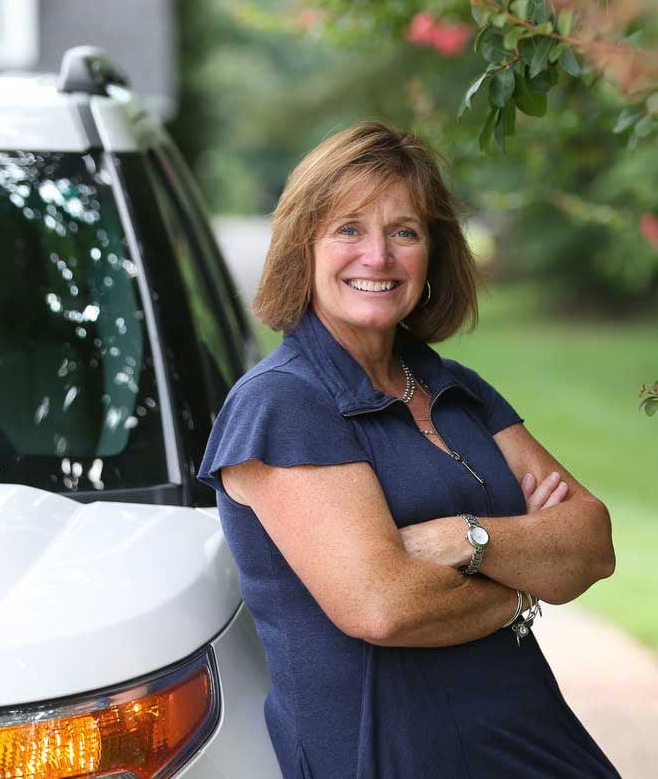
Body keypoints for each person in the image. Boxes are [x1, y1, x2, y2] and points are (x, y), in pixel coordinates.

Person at [198, 121, 620, 779]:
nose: (378, 256)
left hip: (536, 740)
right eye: (348, 230)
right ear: (302, 247)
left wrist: (466, 538)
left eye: (404, 232)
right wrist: (524, 589)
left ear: (432, 254)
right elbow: (383, 606)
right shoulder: (283, 405)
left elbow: (592, 542)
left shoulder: (458, 389)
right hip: (400, 755)